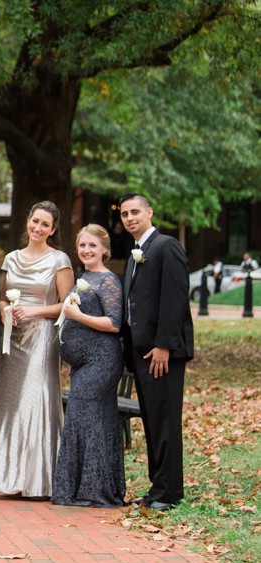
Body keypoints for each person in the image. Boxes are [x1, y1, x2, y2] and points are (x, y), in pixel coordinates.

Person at [0, 201, 73, 498]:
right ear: (27, 222)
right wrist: (8, 310)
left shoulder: (59, 260)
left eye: (45, 224)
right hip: (15, 337)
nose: (38, 228)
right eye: (35, 221)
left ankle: (39, 479)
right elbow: (3, 298)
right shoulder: (12, 259)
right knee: (10, 400)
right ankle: (8, 476)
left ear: (53, 229)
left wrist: (33, 312)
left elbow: (67, 304)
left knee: (36, 398)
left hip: (43, 336)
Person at [120, 193, 193, 510]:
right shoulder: (136, 252)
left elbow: (175, 299)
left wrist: (164, 345)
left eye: (135, 211)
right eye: (124, 214)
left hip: (162, 352)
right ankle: (157, 486)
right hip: (140, 351)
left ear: (149, 211)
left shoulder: (166, 247)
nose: (130, 217)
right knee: (151, 420)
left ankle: (170, 492)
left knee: (165, 419)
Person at [52, 225, 125, 507]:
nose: (86, 250)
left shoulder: (108, 281)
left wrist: (77, 316)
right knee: (91, 420)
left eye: (92, 246)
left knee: (85, 419)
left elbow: (114, 324)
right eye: (82, 245)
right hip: (83, 364)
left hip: (102, 361)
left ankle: (94, 490)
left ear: (105, 249)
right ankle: (87, 487)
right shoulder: (85, 276)